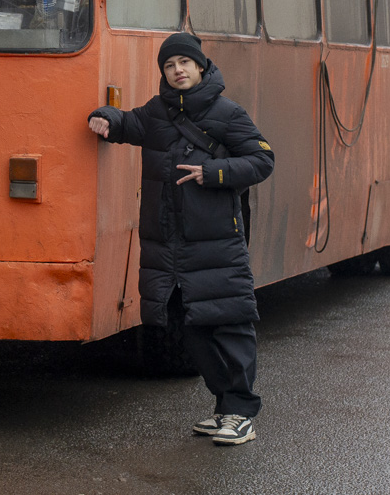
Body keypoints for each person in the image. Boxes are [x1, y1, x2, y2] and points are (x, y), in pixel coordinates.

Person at [87, 31, 273, 446]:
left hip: (216, 240)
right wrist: (105, 116)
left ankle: (241, 410)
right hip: (169, 242)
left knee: (229, 323)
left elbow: (262, 160)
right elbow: (129, 123)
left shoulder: (227, 113)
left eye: (184, 64)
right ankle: (225, 407)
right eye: (169, 66)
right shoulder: (157, 112)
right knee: (190, 324)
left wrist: (214, 173)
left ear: (200, 67)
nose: (177, 71)